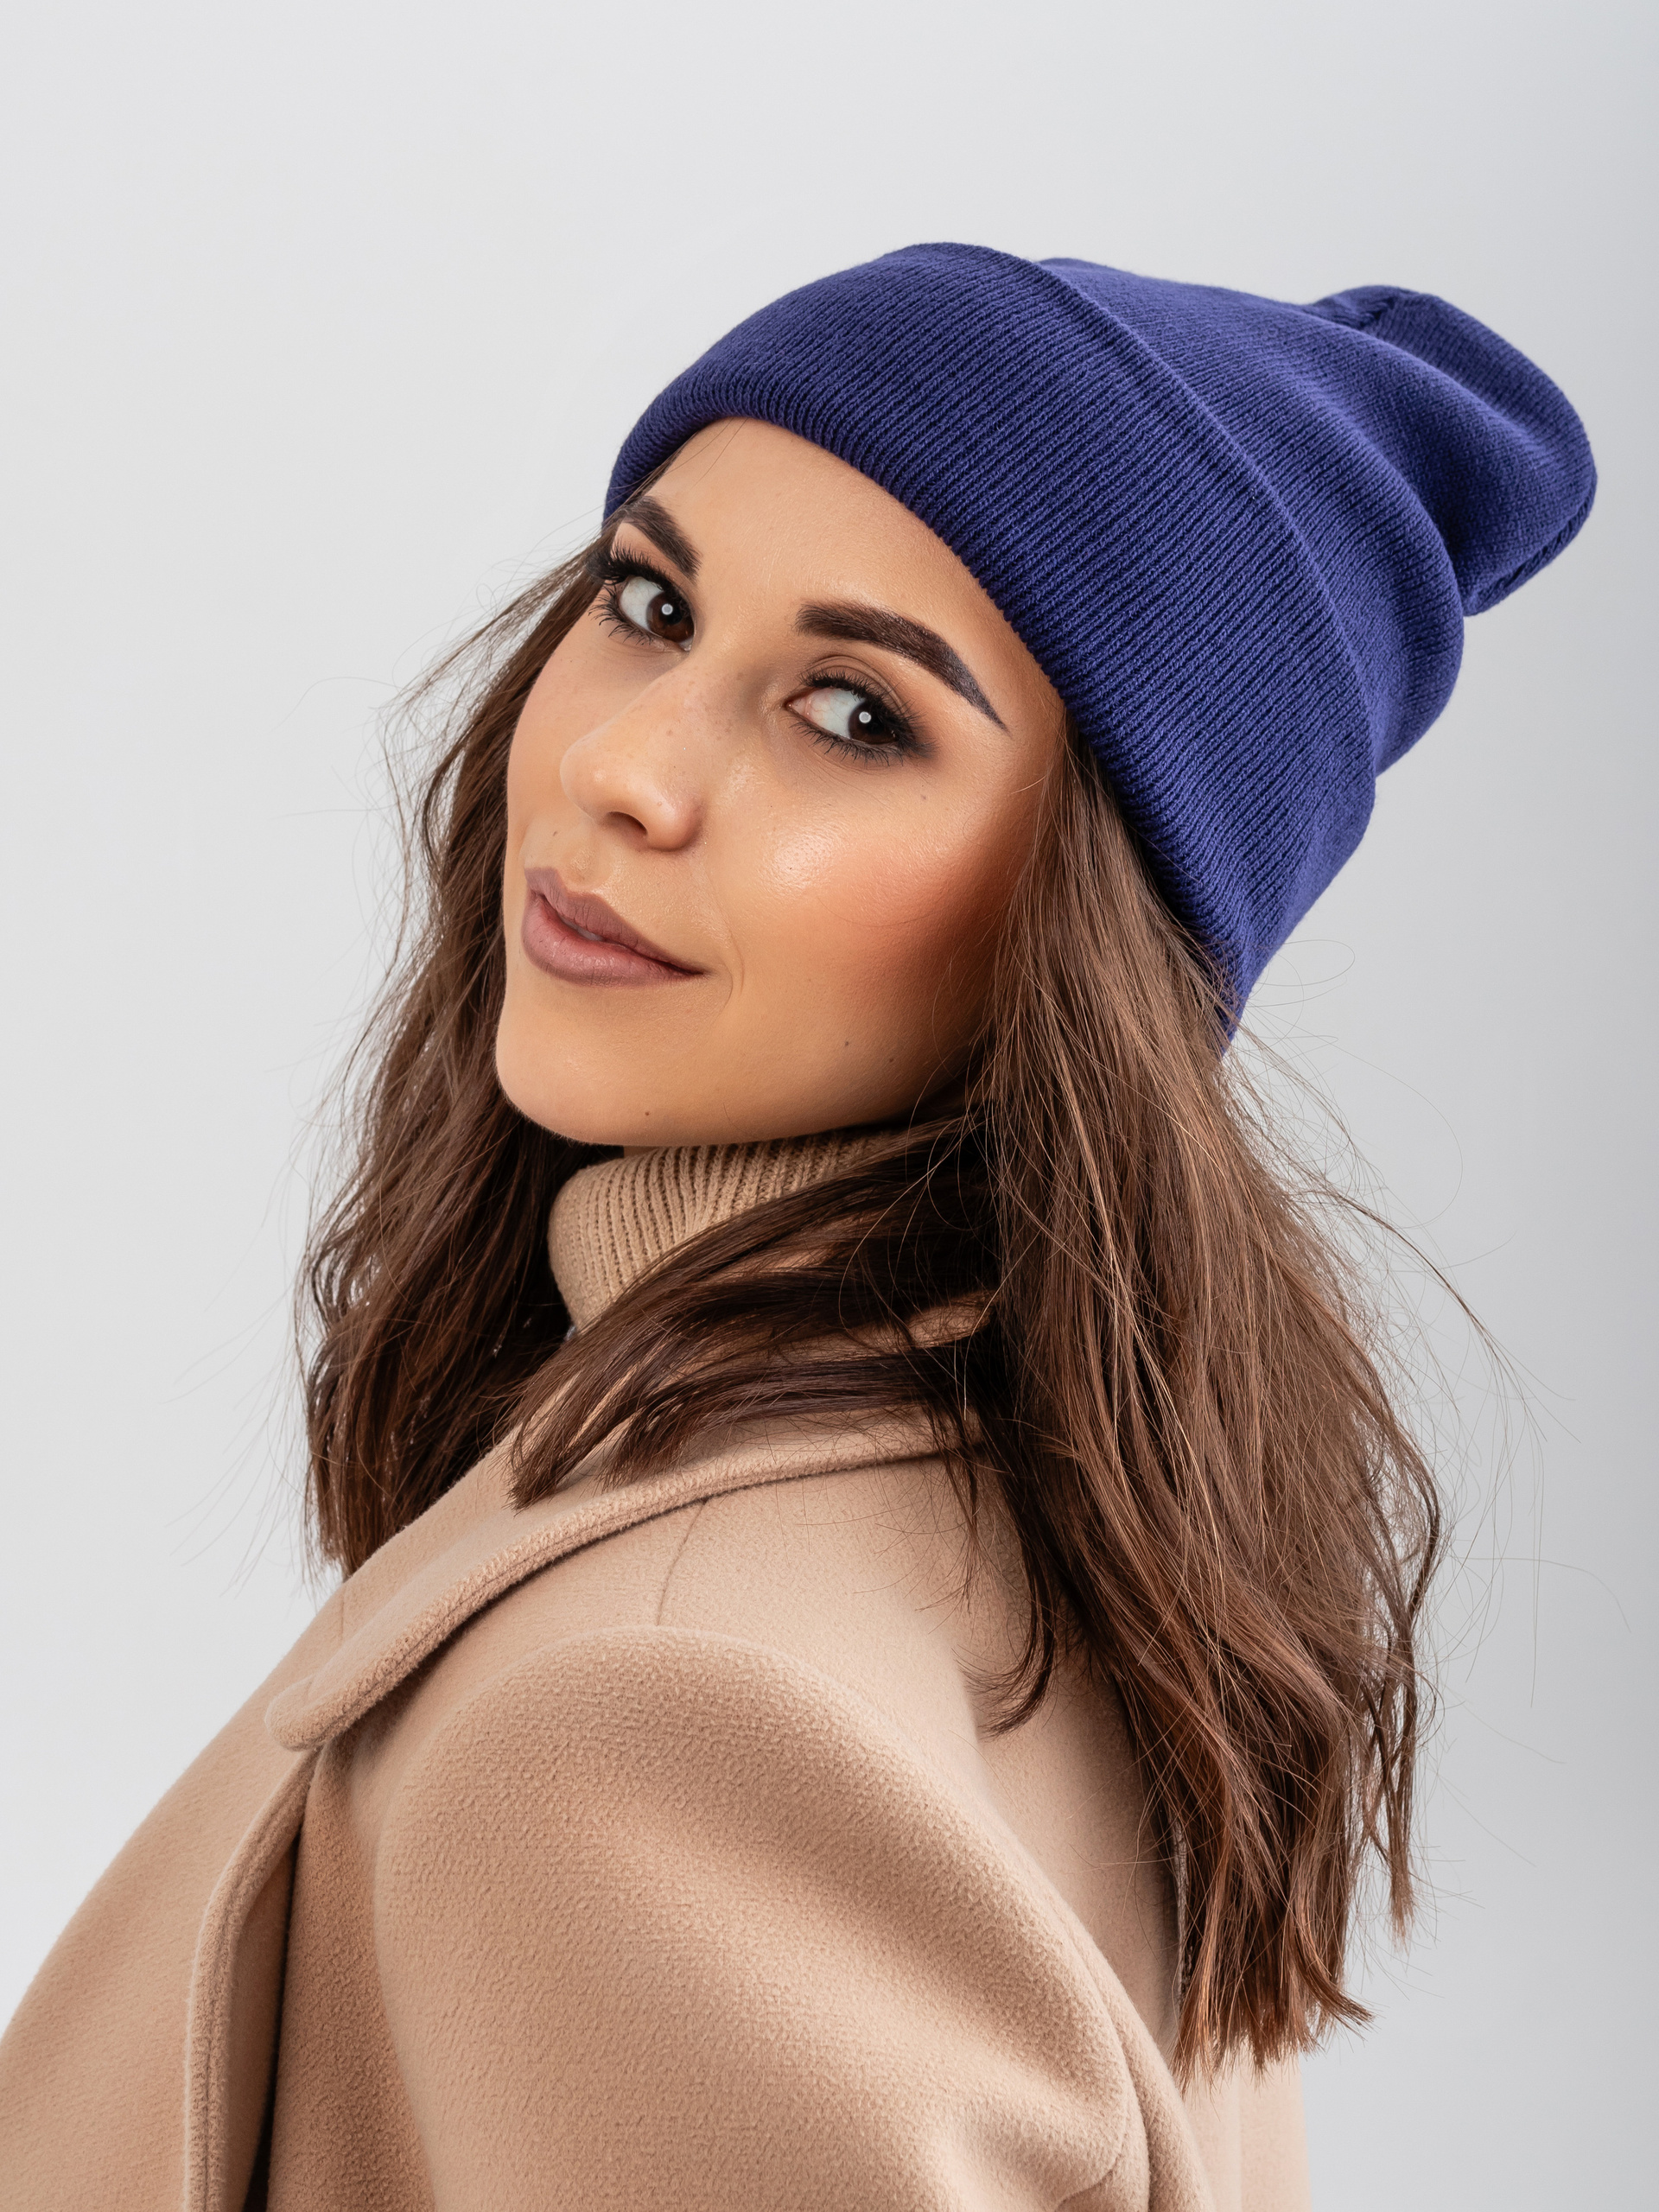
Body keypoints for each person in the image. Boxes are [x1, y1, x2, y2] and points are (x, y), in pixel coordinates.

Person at [0, 244, 1593, 2210]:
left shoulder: (656, 1717)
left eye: (853, 713)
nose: (621, 768)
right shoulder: (1085, 1533)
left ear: (1090, 916)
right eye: (649, 605)